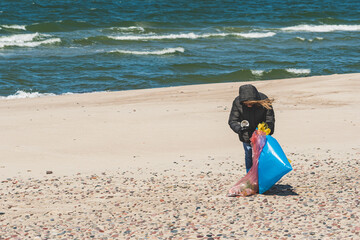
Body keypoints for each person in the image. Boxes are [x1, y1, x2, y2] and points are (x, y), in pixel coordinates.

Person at [228, 84, 275, 173]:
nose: (249, 105)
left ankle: (263, 176)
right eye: (246, 104)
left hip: (262, 134)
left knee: (262, 155)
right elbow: (232, 121)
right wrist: (239, 129)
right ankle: (250, 177)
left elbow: (270, 119)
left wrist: (266, 130)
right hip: (246, 134)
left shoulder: (264, 100)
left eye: (251, 103)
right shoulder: (237, 102)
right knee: (249, 153)